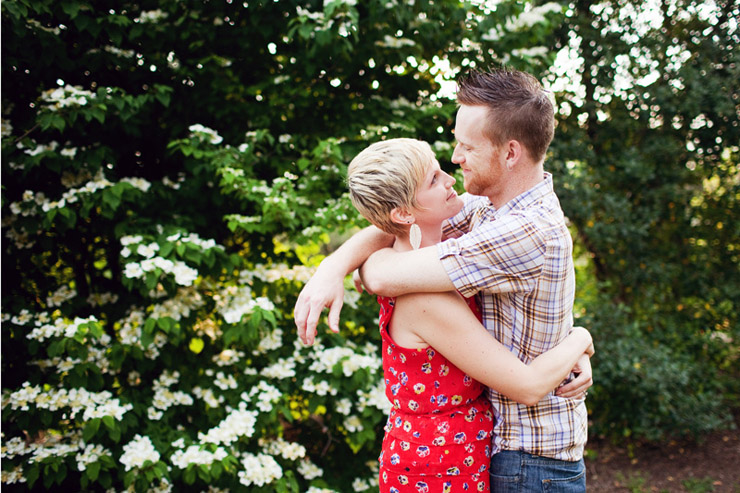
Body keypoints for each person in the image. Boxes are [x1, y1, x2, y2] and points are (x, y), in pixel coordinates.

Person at [295, 68, 592, 491]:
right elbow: (395, 238)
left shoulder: (523, 230)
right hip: (472, 456)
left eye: (467, 146)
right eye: (437, 173)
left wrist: (577, 337)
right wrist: (334, 266)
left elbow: (384, 267)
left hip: (530, 458)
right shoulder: (487, 208)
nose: (455, 159)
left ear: (510, 153)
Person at [344, 137, 593, 492]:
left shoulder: (427, 260)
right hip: (438, 466)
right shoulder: (425, 298)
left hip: (452, 454)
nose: (449, 178)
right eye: (432, 180)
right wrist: (581, 338)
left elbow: (376, 256)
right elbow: (529, 385)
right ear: (403, 214)